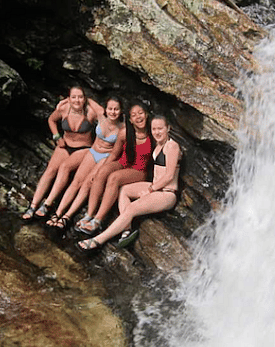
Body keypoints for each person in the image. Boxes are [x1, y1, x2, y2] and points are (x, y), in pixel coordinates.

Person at [78, 115, 181, 251]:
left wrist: (151, 189)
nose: (157, 132)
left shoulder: (172, 146)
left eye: (160, 129)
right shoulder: (158, 145)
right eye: (154, 129)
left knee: (132, 208)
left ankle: (97, 240)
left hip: (167, 193)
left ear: (168, 128)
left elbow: (169, 176)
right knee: (124, 190)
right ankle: (127, 230)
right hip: (156, 188)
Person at [73, 102, 153, 235]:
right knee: (103, 172)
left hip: (139, 171)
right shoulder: (124, 133)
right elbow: (115, 154)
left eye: (141, 113)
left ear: (147, 115)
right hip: (123, 163)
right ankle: (89, 215)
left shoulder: (152, 134)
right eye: (134, 115)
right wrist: (100, 170)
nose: (138, 117)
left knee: (114, 177)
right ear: (130, 120)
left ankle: (98, 221)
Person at [46, 96, 124, 229]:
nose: (113, 112)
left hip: (106, 156)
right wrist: (64, 101)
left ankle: (67, 216)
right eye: (110, 108)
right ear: (105, 109)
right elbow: (84, 98)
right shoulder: (100, 114)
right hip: (93, 152)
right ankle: (58, 212)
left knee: (88, 183)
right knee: (76, 181)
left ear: (121, 111)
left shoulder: (123, 128)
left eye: (116, 109)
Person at [21, 86, 99, 220]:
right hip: (64, 144)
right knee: (50, 170)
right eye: (74, 97)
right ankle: (33, 205)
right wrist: (57, 136)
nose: (77, 100)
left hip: (83, 148)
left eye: (80, 97)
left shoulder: (90, 112)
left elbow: (104, 114)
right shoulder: (64, 108)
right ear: (69, 98)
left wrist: (90, 100)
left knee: (64, 167)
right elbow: (51, 120)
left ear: (85, 98)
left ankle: (47, 204)